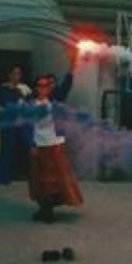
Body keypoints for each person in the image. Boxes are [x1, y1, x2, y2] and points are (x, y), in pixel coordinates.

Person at [28, 67, 83, 223]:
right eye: (40, 85)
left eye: (47, 85)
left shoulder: (54, 102)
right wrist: (31, 145)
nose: (44, 88)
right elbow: (26, 126)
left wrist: (73, 64)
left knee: (53, 182)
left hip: (54, 146)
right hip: (38, 146)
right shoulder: (31, 104)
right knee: (38, 181)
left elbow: (66, 85)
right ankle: (44, 209)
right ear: (35, 87)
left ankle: (48, 211)